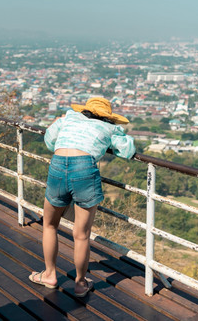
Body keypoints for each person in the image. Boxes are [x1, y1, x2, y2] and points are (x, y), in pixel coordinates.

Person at [29, 97, 136, 297]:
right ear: (107, 116)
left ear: (85, 110)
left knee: (50, 225)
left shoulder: (68, 119)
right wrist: (117, 133)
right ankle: (80, 283)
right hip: (85, 169)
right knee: (81, 235)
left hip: (58, 164)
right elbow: (128, 151)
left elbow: (49, 141)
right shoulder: (108, 128)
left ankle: (50, 275)